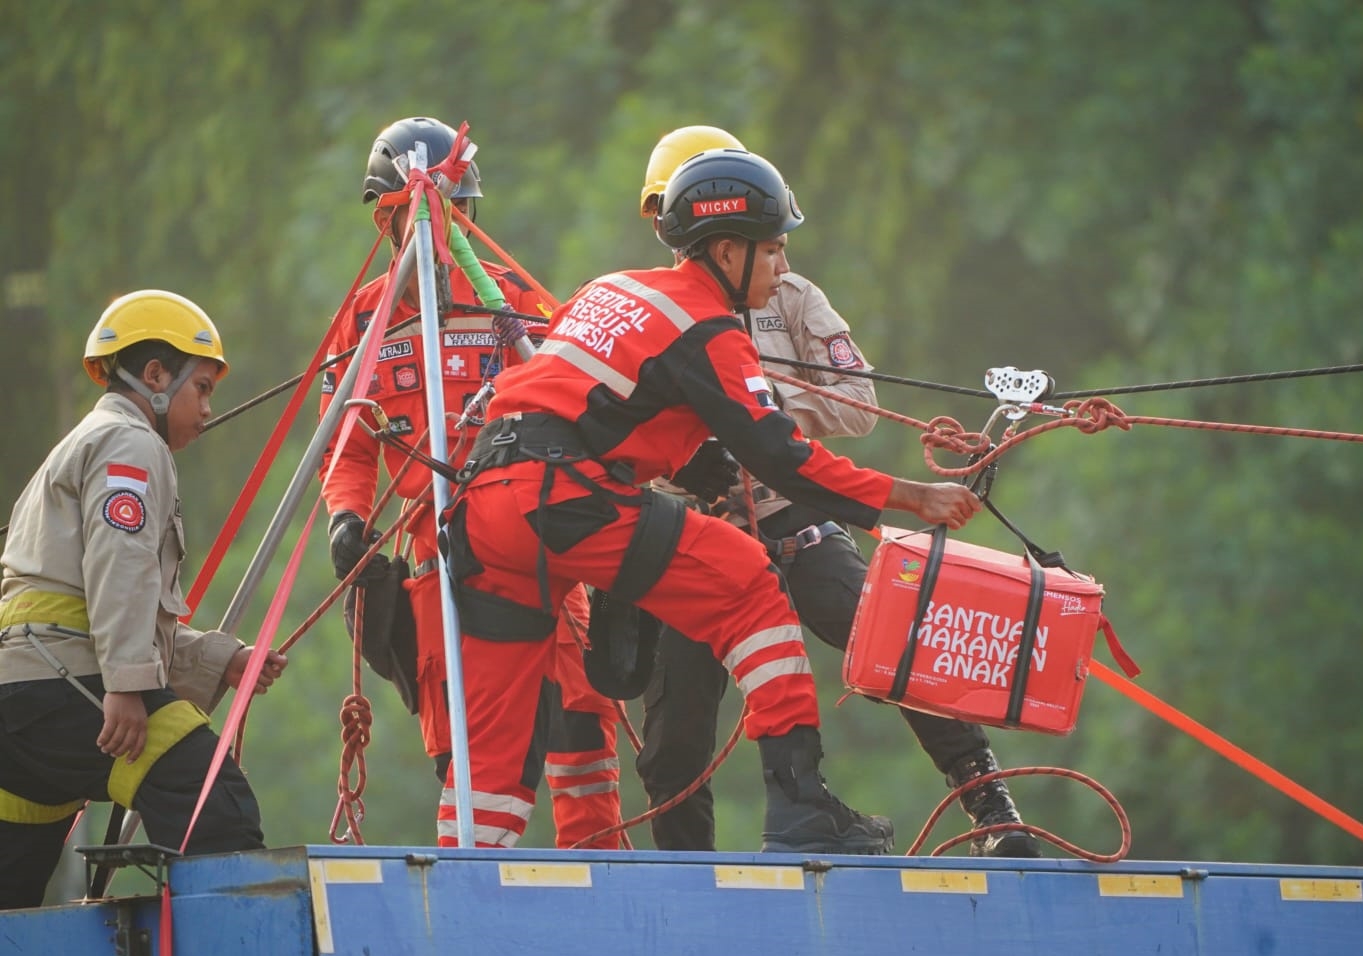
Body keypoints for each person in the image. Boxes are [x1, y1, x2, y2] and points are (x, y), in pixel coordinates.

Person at [439, 146, 985, 855]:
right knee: (747, 581)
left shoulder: (611, 288)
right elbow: (783, 458)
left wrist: (695, 463)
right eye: (775, 249)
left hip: (484, 511)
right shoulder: (708, 326)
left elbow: (591, 402)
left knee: (493, 739)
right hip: (563, 499)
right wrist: (913, 498)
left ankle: (457, 883)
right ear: (727, 249)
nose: (784, 266)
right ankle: (801, 806)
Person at [633, 127, 1041, 857]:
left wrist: (759, 415)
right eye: (666, 210)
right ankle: (683, 877)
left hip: (799, 522)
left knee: (895, 647)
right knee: (674, 736)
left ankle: (993, 811)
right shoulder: (648, 310)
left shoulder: (789, 296)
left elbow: (856, 402)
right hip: (696, 535)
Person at [319, 116, 622, 848]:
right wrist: (346, 522)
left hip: (540, 554)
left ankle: (604, 883)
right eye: (423, 209)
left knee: (583, 727)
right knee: (467, 753)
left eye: (456, 208)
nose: (442, 223)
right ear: (386, 215)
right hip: (438, 579)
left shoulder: (512, 302)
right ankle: (475, 904)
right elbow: (350, 452)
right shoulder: (362, 326)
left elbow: (578, 406)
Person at [0, 289, 288, 910]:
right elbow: (121, 567)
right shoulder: (131, 444)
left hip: (21, 702)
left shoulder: (78, 446)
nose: (209, 409)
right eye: (202, 388)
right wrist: (126, 687)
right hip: (63, 685)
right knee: (216, 807)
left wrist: (219, 660)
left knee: (10, 894)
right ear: (154, 376)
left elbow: (80, 608)